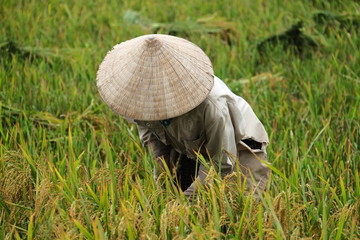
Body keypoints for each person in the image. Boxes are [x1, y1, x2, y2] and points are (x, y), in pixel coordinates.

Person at [96, 34, 270, 198]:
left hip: (238, 148)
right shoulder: (137, 99)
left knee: (243, 206)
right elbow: (151, 139)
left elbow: (222, 163)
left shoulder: (212, 106)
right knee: (176, 197)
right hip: (189, 149)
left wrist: (190, 196)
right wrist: (163, 178)